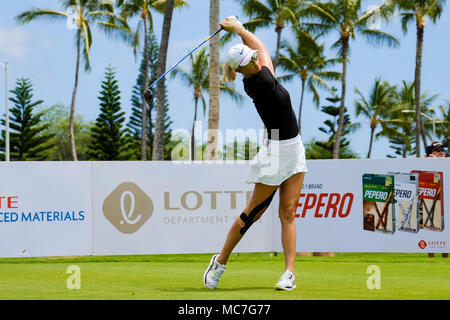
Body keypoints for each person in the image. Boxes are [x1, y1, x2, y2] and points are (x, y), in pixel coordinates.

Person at [203, 16, 307, 290]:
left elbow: (259, 51)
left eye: (254, 57)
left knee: (289, 211)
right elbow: (264, 50)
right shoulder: (260, 83)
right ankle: (220, 262)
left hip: (294, 147)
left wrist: (238, 31)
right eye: (251, 59)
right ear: (244, 69)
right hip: (276, 152)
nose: (256, 58)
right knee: (252, 215)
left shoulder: (256, 71)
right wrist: (240, 29)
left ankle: (289, 273)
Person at [424, 141, 448, 258]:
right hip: (430, 197)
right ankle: (431, 259)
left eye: (442, 150)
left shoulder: (447, 162)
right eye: (437, 151)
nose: (441, 152)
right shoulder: (426, 162)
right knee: (431, 228)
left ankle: (445, 258)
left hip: (446, 198)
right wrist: (428, 161)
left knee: (446, 229)